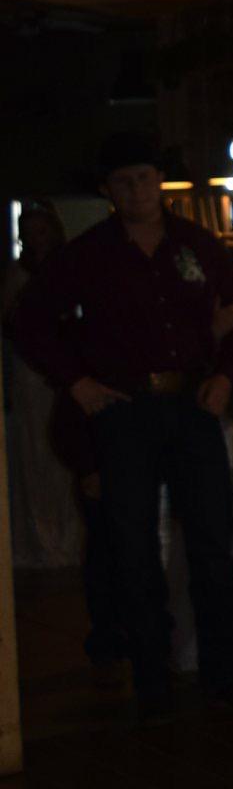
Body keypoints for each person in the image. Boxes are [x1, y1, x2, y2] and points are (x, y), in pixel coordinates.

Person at [10, 133, 233, 721]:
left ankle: (222, 674)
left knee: (211, 541)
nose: (137, 190)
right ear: (107, 191)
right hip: (124, 412)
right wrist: (77, 382)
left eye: (144, 179)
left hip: (193, 405)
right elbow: (26, 320)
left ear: (160, 182)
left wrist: (225, 377)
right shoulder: (89, 254)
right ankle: (151, 679)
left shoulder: (197, 243)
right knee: (133, 547)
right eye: (124, 182)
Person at [2, 202, 83, 570]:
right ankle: (40, 537)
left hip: (64, 368)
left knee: (64, 451)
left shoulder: (68, 268)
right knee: (34, 449)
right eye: (30, 233)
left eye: (42, 231)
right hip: (31, 374)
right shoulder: (18, 275)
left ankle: (67, 535)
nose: (38, 239)